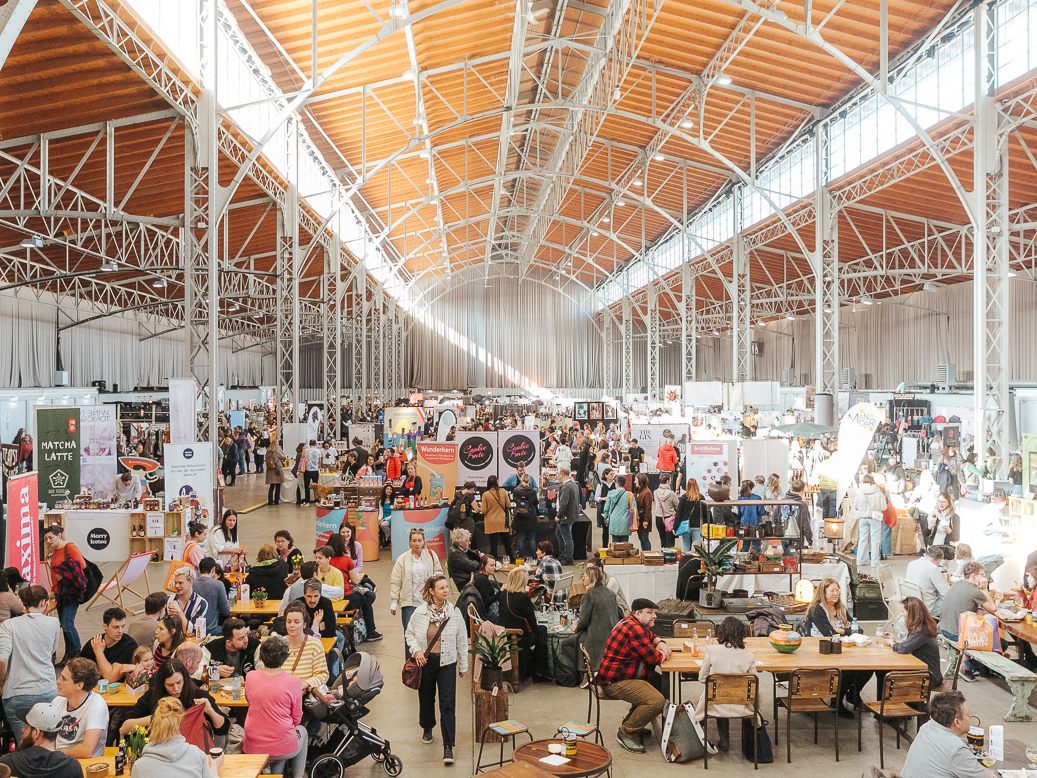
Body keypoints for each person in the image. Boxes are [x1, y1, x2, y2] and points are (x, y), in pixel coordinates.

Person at [404, 574, 468, 766]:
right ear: (431, 591)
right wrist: (416, 651)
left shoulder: (454, 613)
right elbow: (410, 634)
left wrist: (463, 664)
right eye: (441, 588)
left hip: (447, 663)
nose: (446, 591)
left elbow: (462, 639)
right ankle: (427, 726)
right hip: (426, 663)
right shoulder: (420, 613)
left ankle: (448, 745)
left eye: (447, 587)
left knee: (448, 704)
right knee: (426, 697)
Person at [595, 598, 672, 754]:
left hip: (621, 676)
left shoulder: (632, 623)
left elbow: (650, 635)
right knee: (657, 701)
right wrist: (663, 651)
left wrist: (659, 641)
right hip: (615, 681)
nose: (654, 616)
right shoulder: (634, 628)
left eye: (654, 613)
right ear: (638, 613)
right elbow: (654, 658)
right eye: (649, 612)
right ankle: (627, 732)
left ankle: (634, 721)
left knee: (661, 683)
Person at [802, 578, 869, 715]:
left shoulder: (840, 608)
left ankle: (853, 695)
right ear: (823, 592)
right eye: (832, 590)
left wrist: (842, 631)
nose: (836, 593)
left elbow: (858, 629)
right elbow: (828, 633)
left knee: (867, 667)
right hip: (820, 650)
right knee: (848, 670)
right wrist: (844, 630)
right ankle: (837, 701)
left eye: (837, 590)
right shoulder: (817, 609)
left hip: (841, 648)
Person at [0, 586, 60, 739]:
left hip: (17, 693)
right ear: (43, 602)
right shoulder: (53, 623)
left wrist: (2, 684)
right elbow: (52, 651)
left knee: (23, 742)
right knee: (48, 740)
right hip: (47, 689)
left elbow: (2, 660)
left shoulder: (9, 626)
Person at [244, 635, 307, 778]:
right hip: (281, 744)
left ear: (261, 655)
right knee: (300, 731)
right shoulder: (293, 681)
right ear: (285, 657)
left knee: (281, 736)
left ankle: (276, 773)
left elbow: (249, 700)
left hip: (253, 743)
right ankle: (298, 776)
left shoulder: (251, 677)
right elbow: (296, 717)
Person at [119, 658, 227, 739]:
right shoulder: (152, 696)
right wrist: (158, 717)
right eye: (170, 685)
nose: (176, 689)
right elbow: (124, 728)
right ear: (162, 684)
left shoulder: (198, 695)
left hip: (193, 752)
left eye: (179, 683)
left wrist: (210, 711)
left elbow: (223, 729)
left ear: (185, 679)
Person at [692, 617, 757, 751]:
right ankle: (745, 741)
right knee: (730, 695)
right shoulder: (748, 656)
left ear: (721, 632)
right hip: (741, 705)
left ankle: (722, 739)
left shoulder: (711, 650)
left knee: (717, 697)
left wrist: (719, 684)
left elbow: (702, 678)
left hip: (715, 704)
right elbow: (754, 683)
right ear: (742, 634)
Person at [901, 690, 996, 778]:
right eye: (967, 714)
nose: (970, 716)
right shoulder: (956, 749)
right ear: (957, 722)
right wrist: (989, 774)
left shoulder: (926, 727)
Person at [130, 697, 220, 778]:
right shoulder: (197, 756)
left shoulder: (140, 766)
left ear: (153, 724)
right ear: (181, 723)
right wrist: (214, 766)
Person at [938, 561, 998, 681]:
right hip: (957, 634)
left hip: (943, 628)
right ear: (975, 575)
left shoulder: (956, 584)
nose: (985, 578)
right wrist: (985, 589)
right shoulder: (975, 591)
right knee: (998, 643)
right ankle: (968, 666)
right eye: (983, 574)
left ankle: (976, 666)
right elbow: (993, 608)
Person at [318, 540, 381, 642]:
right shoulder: (346, 560)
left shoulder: (322, 565)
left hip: (328, 599)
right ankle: (370, 631)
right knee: (367, 598)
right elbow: (355, 580)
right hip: (345, 597)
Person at [0, 701, 80, 778]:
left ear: (36, 733)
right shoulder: (71, 767)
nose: (22, 730)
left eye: (26, 727)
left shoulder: (7, 764)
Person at [42, 525, 85, 661]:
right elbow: (54, 575)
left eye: (51, 538)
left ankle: (78, 655)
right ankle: (69, 654)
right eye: (46, 538)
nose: (48, 541)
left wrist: (63, 573)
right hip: (60, 592)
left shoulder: (69, 548)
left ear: (59, 535)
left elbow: (82, 565)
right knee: (63, 623)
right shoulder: (55, 550)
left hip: (71, 592)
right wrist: (54, 591)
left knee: (67, 623)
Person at [262, 603, 328, 692]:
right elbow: (268, 671)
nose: (292, 625)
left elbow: (322, 674)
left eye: (296, 622)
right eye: (289, 622)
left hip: (304, 694)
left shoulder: (315, 644)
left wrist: (304, 684)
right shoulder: (278, 644)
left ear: (304, 624)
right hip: (280, 692)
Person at [390, 529, 443, 636]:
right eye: (414, 541)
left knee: (429, 635)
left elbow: (439, 573)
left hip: (429, 602)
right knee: (410, 635)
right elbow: (396, 581)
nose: (417, 543)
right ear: (409, 542)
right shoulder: (402, 559)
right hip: (410, 604)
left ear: (424, 541)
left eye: (419, 540)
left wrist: (434, 579)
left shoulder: (431, 555)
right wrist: (394, 602)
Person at [52, 658, 107, 757]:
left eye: (63, 679)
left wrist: (54, 752)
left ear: (79, 685)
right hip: (57, 759)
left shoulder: (97, 706)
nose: (58, 681)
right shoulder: (58, 700)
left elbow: (86, 750)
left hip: (83, 763)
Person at [884, 596, 943, 688]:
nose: (902, 614)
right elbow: (910, 644)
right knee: (885, 672)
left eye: (903, 611)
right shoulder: (923, 626)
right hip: (926, 671)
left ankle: (899, 700)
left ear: (911, 613)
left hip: (929, 676)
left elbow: (904, 648)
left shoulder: (921, 631)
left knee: (886, 673)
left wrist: (892, 644)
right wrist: (895, 640)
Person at [575, 565, 622, 672]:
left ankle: (582, 673)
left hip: (595, 638)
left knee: (566, 644)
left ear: (592, 579)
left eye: (585, 576)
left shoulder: (590, 596)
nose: (583, 578)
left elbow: (583, 622)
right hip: (611, 635)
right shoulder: (610, 593)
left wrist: (576, 628)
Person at [497, 568, 538, 680]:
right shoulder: (523, 598)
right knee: (542, 634)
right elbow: (532, 620)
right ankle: (538, 670)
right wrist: (536, 632)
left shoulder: (503, 594)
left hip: (504, 634)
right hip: (519, 636)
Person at [79, 607, 138, 683]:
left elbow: (110, 678)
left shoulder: (129, 645)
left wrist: (99, 653)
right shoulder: (95, 642)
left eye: (122, 626)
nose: (120, 631)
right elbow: (79, 669)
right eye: (116, 627)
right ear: (105, 626)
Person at [905, 546, 951, 617]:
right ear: (939, 560)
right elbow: (946, 593)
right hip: (926, 608)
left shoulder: (911, 563)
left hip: (910, 605)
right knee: (952, 599)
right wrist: (945, 580)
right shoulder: (933, 568)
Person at [853, 474, 886, 569]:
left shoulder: (859, 492)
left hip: (863, 518)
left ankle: (861, 560)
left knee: (863, 538)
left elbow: (855, 506)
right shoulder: (878, 492)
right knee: (875, 540)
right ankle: (874, 562)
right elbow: (884, 507)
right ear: (872, 480)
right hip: (874, 517)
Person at [194, 558, 230, 635]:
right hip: (212, 630)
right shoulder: (218, 584)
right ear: (213, 570)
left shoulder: (191, 584)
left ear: (200, 569)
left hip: (193, 629)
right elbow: (225, 611)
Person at [481, 475, 513, 562]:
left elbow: (483, 511)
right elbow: (509, 505)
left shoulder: (486, 494)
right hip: (502, 521)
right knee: (507, 543)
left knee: (493, 544)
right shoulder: (503, 491)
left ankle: (493, 562)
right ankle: (512, 559)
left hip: (491, 522)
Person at [167, 566, 208, 634]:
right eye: (175, 582)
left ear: (190, 582)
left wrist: (179, 612)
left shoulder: (201, 603)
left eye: (180, 583)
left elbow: (191, 632)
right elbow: (164, 626)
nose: (176, 586)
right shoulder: (169, 599)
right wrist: (168, 616)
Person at [777, 478, 813, 554]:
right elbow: (806, 525)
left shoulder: (781, 502)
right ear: (802, 490)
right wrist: (810, 541)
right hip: (797, 538)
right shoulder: (802, 505)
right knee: (796, 561)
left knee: (787, 560)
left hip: (783, 537)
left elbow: (774, 518)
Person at [510, 474, 539, 559]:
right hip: (531, 517)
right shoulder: (532, 491)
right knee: (532, 539)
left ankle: (521, 557)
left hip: (520, 517)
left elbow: (515, 500)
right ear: (529, 481)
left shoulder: (516, 490)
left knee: (520, 539)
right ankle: (533, 557)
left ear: (521, 480)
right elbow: (536, 503)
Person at [675, 477, 707, 553]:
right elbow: (705, 513)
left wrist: (675, 526)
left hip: (685, 526)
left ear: (687, 486)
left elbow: (679, 513)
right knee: (696, 548)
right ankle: (695, 563)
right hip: (697, 526)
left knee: (686, 545)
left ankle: (685, 562)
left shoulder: (683, 497)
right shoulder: (701, 498)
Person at [555, 466, 580, 565]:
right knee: (559, 534)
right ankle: (562, 555)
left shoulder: (566, 487)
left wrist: (559, 515)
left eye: (558, 473)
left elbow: (563, 503)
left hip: (565, 517)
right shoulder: (573, 484)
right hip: (571, 515)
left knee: (567, 538)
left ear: (562, 474)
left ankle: (568, 558)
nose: (557, 476)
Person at [736, 479, 765, 553]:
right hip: (755, 525)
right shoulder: (757, 498)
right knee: (756, 546)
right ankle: (756, 563)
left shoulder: (740, 499)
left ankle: (742, 562)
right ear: (752, 487)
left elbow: (738, 513)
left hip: (743, 525)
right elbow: (761, 512)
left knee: (745, 546)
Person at [653, 473, 679, 549]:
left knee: (662, 539)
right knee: (670, 541)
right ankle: (669, 558)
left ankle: (663, 555)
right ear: (668, 481)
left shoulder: (655, 492)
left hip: (658, 517)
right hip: (670, 518)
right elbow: (677, 505)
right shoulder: (671, 493)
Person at [633, 473, 653, 551]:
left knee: (645, 538)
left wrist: (646, 521)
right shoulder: (637, 491)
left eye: (636, 480)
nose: (634, 482)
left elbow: (648, 508)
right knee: (641, 538)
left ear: (640, 481)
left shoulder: (647, 492)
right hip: (638, 518)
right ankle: (644, 553)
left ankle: (648, 554)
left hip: (644, 519)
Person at [265, 436, 285, 505]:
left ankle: (270, 501)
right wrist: (280, 449)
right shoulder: (277, 451)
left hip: (270, 470)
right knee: (278, 486)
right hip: (277, 470)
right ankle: (276, 500)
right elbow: (283, 457)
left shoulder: (268, 451)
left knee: (272, 486)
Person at [302, 439, 321, 504]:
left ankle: (307, 501)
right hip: (315, 470)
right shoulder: (318, 451)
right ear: (315, 444)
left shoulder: (305, 450)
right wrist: (319, 468)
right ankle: (317, 500)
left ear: (309, 444)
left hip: (307, 470)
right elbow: (319, 461)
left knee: (307, 486)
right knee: (316, 486)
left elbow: (303, 459)